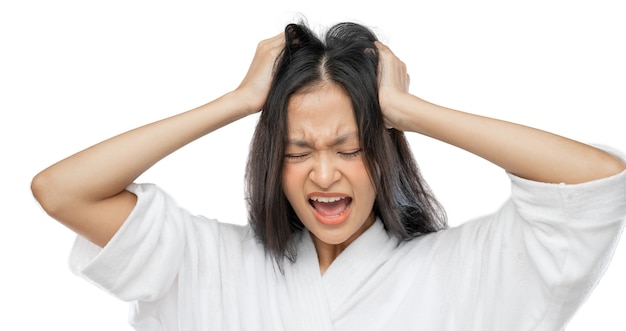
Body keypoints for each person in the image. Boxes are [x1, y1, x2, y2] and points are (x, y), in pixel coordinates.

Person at [31, 21, 626, 331]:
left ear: (385, 149)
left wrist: (410, 113)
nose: (323, 173)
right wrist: (237, 102)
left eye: (349, 148)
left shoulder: (466, 269)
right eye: (297, 151)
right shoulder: (203, 262)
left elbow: (595, 179)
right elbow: (61, 190)